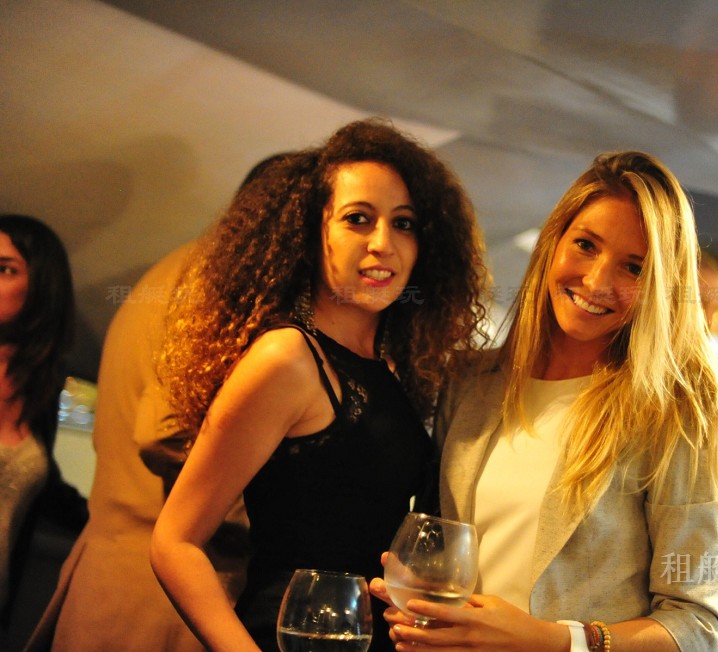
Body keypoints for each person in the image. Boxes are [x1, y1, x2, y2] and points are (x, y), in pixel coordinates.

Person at [374, 151, 718, 651]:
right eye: (586, 245)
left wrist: (556, 640)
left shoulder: (676, 410)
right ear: (553, 241)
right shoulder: (471, 380)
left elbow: (698, 625)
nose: (597, 281)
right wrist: (422, 600)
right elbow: (444, 551)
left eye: (633, 267)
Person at [150, 118, 490, 652]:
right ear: (311, 233)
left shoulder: (391, 365)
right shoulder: (288, 357)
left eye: (404, 224)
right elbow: (174, 542)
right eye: (358, 219)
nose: (383, 243)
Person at [24, 242, 251, 652]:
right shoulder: (230, 273)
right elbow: (166, 432)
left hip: (120, 575)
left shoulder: (182, 267)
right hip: (165, 593)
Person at [0, 215, 82, 631]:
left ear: (42, 287)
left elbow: (41, 483)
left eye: (4, 269)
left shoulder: (43, 387)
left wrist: (111, 521)